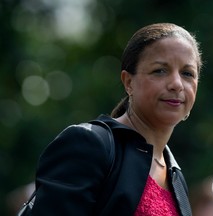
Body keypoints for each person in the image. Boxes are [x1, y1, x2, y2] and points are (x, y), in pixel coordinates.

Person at [29, 23, 202, 216]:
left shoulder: (175, 174)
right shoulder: (89, 144)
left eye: (187, 74)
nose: (177, 84)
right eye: (160, 70)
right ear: (129, 82)